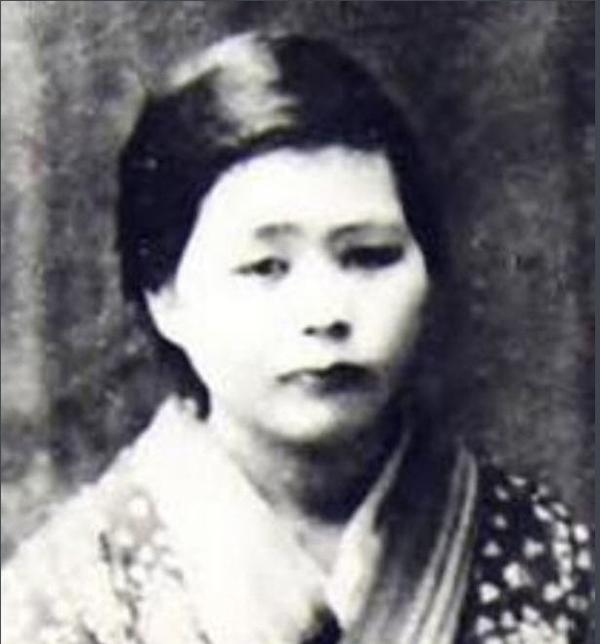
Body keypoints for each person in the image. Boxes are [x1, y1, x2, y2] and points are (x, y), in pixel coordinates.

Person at [1, 31, 593, 644]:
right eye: (266, 267)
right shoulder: (71, 590)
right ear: (165, 296)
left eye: (369, 255)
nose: (325, 312)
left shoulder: (534, 547)